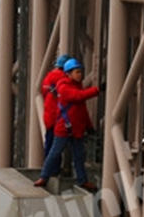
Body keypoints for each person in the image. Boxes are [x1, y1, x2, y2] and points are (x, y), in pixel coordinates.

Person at [34, 58, 101, 193]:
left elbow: (82, 110)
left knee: (78, 155)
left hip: (74, 128)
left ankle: (82, 180)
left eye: (81, 72)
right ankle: (44, 176)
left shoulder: (71, 85)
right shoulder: (64, 87)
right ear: (68, 74)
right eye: (77, 72)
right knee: (55, 152)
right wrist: (97, 90)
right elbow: (78, 97)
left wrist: (88, 126)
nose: (80, 75)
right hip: (64, 127)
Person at [41, 54, 71, 158]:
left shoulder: (48, 78)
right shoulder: (65, 80)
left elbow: (43, 93)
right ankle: (53, 169)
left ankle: (49, 168)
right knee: (60, 146)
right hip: (61, 117)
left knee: (50, 143)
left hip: (49, 116)